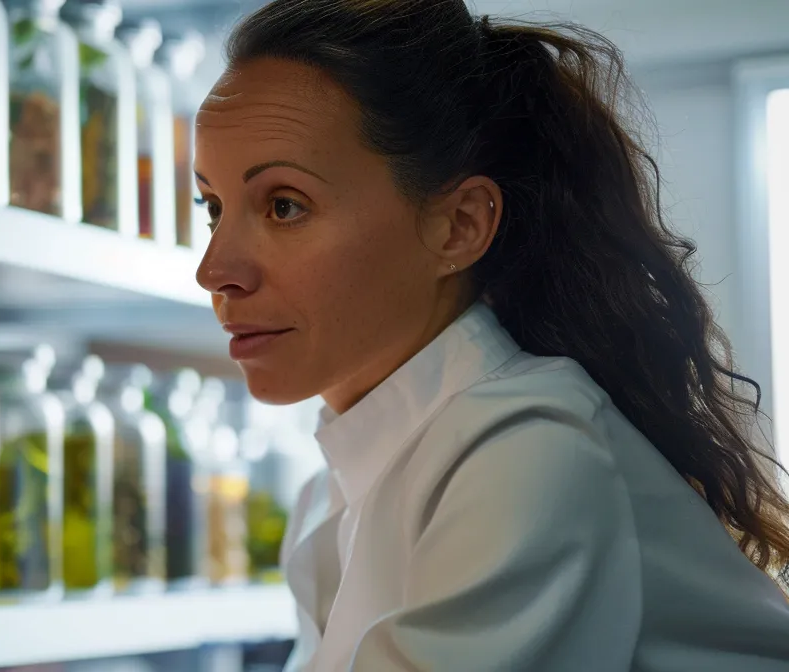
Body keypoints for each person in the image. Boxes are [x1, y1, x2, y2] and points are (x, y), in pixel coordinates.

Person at [192, 0, 789, 669]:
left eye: (284, 205)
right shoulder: (334, 489)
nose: (214, 271)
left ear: (460, 226)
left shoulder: (530, 450)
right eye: (212, 207)